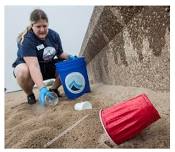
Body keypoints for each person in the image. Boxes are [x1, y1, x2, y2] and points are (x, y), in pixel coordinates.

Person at [12, 9, 76, 105]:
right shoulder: (27, 40)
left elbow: (59, 53)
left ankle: (53, 90)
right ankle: (30, 94)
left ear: (48, 24)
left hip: (48, 65)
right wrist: (42, 88)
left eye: (44, 26)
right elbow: (34, 66)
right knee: (22, 71)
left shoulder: (54, 35)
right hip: (31, 69)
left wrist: (70, 57)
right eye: (38, 26)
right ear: (32, 25)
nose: (42, 29)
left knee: (67, 64)